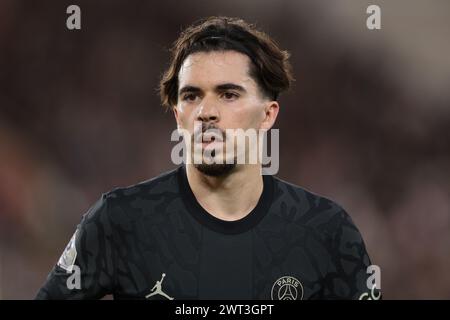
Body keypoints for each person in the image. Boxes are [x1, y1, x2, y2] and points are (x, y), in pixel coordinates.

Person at [36, 16, 380, 300]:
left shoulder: (327, 231)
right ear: (177, 115)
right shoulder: (120, 220)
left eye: (228, 94)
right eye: (191, 96)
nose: (206, 112)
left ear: (268, 114)